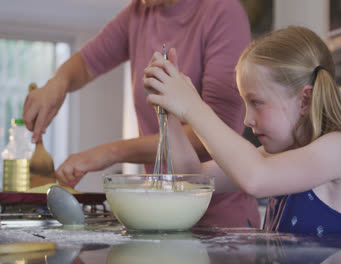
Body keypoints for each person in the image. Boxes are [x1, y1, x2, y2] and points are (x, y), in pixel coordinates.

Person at [22, 0, 261, 228]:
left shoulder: (222, 12)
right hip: (157, 211)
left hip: (218, 216)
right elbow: (87, 63)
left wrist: (111, 152)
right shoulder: (139, 12)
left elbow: (216, 135)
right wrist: (58, 83)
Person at [144, 26, 341, 234]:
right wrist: (169, 111)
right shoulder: (275, 156)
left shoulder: (339, 150)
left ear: (304, 100)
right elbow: (191, 179)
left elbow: (255, 178)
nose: (247, 119)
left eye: (256, 102)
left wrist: (192, 106)